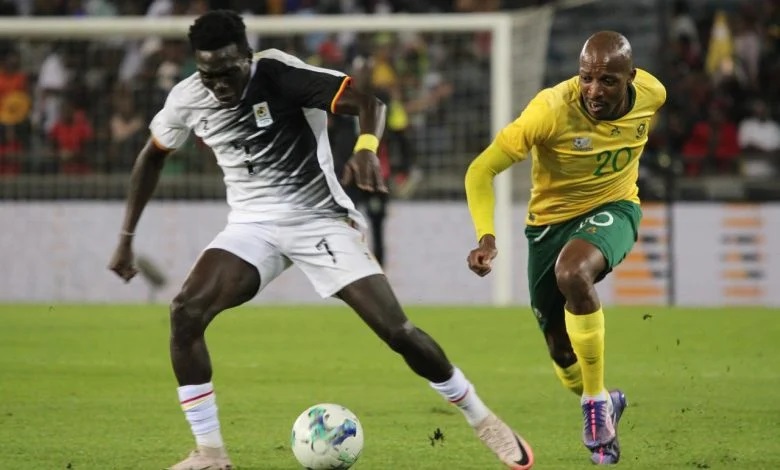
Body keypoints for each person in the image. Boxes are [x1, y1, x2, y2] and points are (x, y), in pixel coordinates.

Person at [108, 10, 533, 470]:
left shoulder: (282, 74)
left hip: (319, 219)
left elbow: (371, 104)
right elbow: (151, 157)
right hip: (252, 225)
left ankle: (483, 418)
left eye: (228, 72)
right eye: (208, 74)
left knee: (397, 331)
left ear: (246, 58)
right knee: (185, 312)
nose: (219, 84)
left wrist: (367, 148)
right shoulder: (188, 97)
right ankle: (211, 453)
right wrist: (126, 236)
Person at [464, 31, 666, 465]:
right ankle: (602, 399)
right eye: (586, 78)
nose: (594, 90)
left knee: (573, 272)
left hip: (615, 208)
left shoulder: (654, 94)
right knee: (561, 352)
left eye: (608, 81)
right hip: (547, 227)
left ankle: (593, 406)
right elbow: (480, 172)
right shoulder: (549, 111)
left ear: (631, 78)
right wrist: (486, 236)